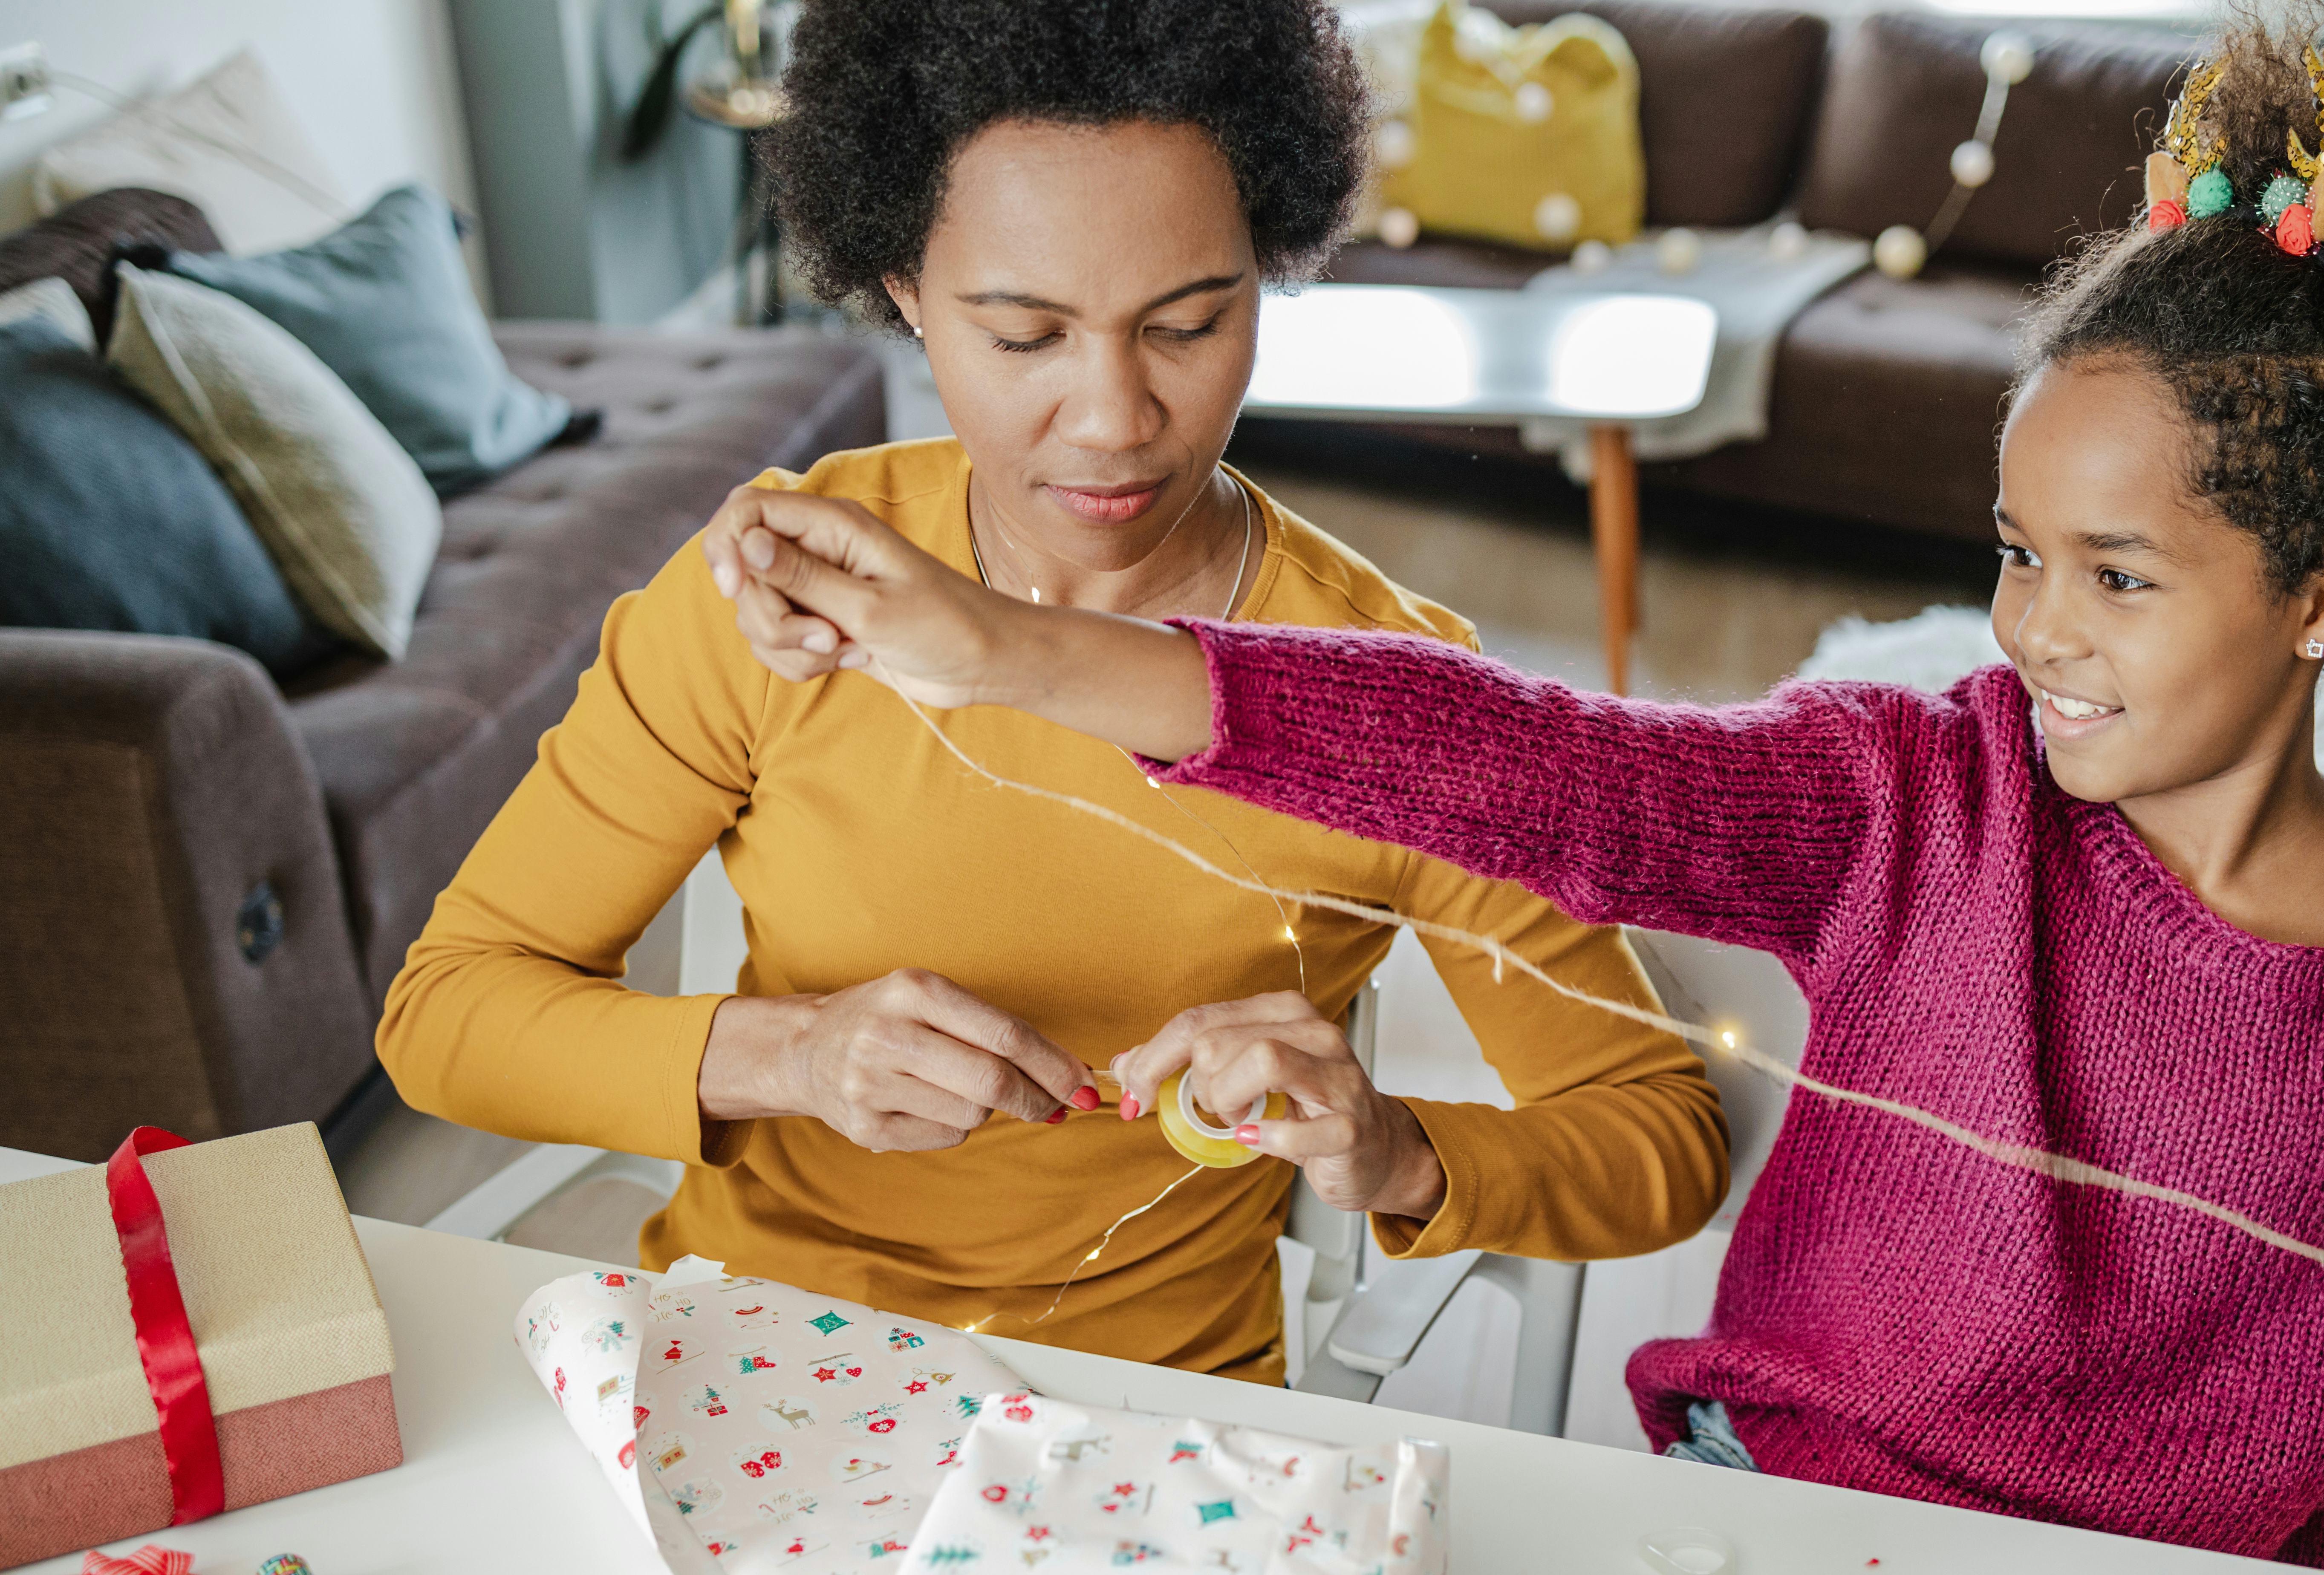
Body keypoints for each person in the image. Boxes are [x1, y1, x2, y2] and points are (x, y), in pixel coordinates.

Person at [700, 16, 2324, 1572]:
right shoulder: (1917, 794)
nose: (2033, 629)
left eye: (2118, 577)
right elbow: (1539, 769)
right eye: (2019, 550)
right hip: (1766, 1523)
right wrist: (1008, 652)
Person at [377, 0, 1727, 1386]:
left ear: (1270, 267)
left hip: (1157, 1418)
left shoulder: (1388, 699)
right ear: (902, 286)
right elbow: (448, 1016)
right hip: (755, 1355)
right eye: (1025, 336)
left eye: (1191, 323)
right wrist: (790, 1056)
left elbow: (1659, 1136)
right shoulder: (778, 598)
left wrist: (1391, 1145)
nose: (1114, 419)